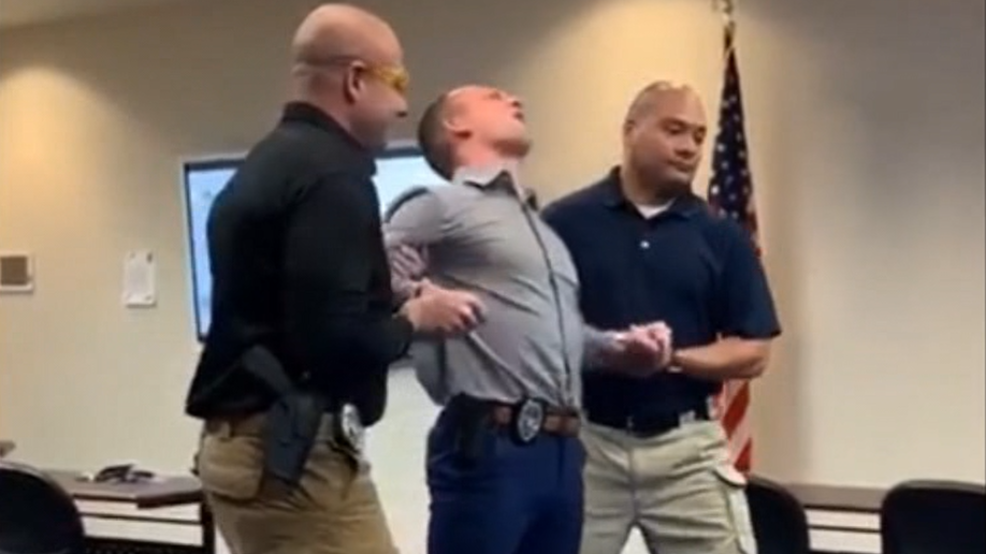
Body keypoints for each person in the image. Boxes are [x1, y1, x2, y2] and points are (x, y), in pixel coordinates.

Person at [183, 5, 484, 554]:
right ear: (355, 80)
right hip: (292, 457)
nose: (402, 107)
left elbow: (290, 304)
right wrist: (415, 319)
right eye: (398, 83)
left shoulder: (269, 163)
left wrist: (393, 298)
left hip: (243, 448)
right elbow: (333, 340)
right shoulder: (333, 176)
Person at [383, 84, 672, 554]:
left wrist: (619, 349)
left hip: (563, 452)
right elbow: (363, 274)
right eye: (492, 96)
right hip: (489, 445)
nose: (513, 99)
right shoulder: (439, 205)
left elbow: (556, 335)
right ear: (456, 125)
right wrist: (419, 296)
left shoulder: (540, 230)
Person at [542, 81, 782, 554]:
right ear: (630, 130)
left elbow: (754, 351)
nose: (689, 147)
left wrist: (670, 359)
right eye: (674, 130)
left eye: (698, 135)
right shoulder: (564, 222)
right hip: (589, 445)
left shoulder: (720, 234)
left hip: (687, 451)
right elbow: (538, 331)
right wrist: (612, 352)